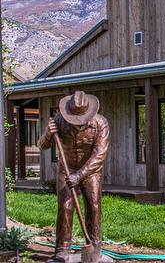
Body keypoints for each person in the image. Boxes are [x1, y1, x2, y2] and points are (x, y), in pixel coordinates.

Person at [37, 91, 110, 262]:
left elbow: (100, 154)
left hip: (91, 171)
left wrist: (80, 175)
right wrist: (48, 133)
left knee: (94, 205)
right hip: (66, 169)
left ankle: (94, 245)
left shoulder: (101, 123)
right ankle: (62, 249)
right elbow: (42, 145)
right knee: (65, 206)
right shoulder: (59, 120)